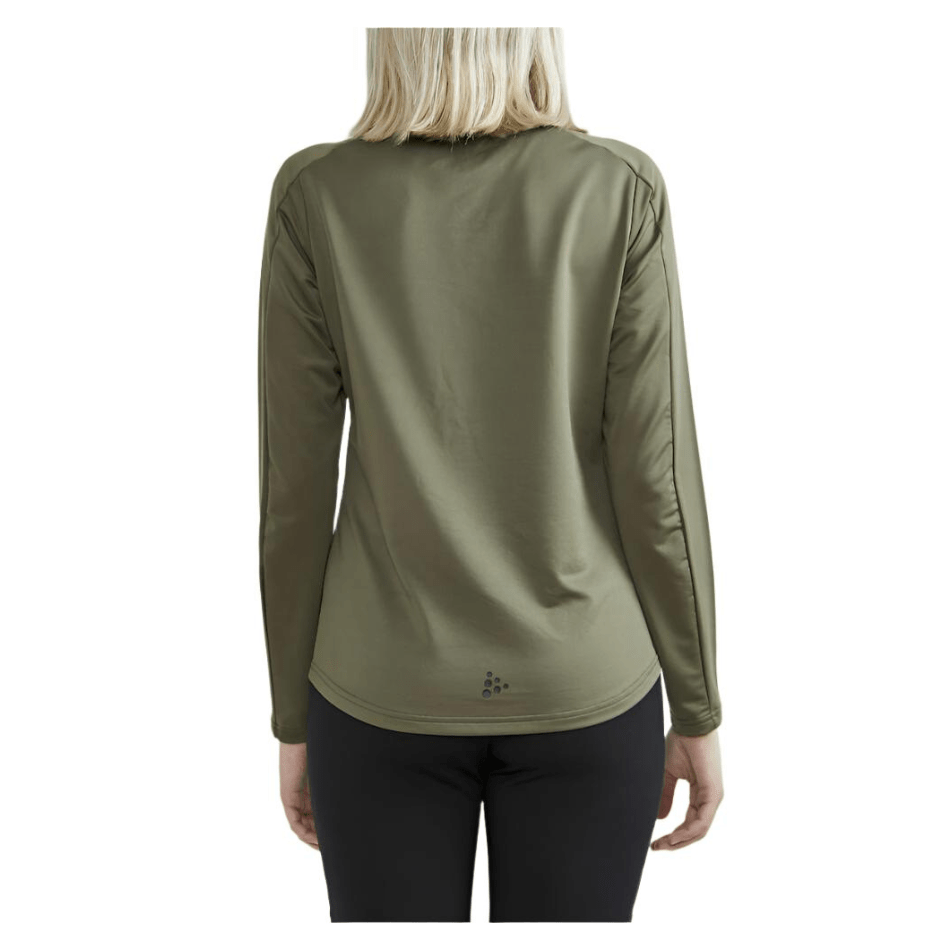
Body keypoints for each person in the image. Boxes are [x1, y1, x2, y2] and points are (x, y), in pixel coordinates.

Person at [257, 27, 724, 923]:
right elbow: (656, 481)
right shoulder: (618, 188)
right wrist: (697, 708)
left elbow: (294, 492)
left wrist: (292, 718)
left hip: (377, 691)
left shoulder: (317, 195)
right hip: (584, 687)